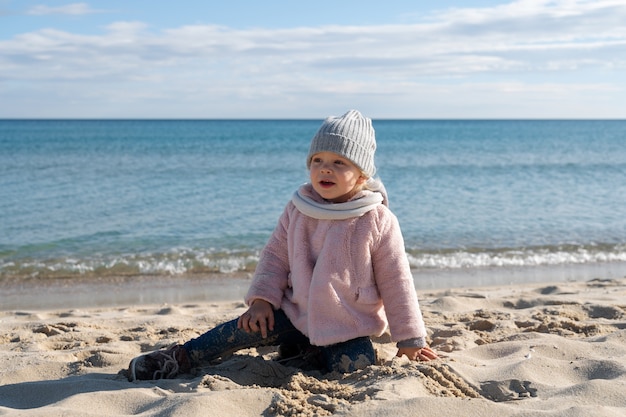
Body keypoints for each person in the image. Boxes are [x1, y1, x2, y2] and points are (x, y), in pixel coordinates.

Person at [127, 109, 438, 381]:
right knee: (238, 330)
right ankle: (181, 357)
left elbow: (397, 281)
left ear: (360, 176)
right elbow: (275, 257)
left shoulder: (377, 219)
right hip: (295, 313)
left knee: (354, 369)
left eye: (339, 162)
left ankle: (307, 354)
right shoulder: (299, 208)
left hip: (348, 325)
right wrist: (262, 299)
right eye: (318, 160)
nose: (325, 168)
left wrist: (410, 338)